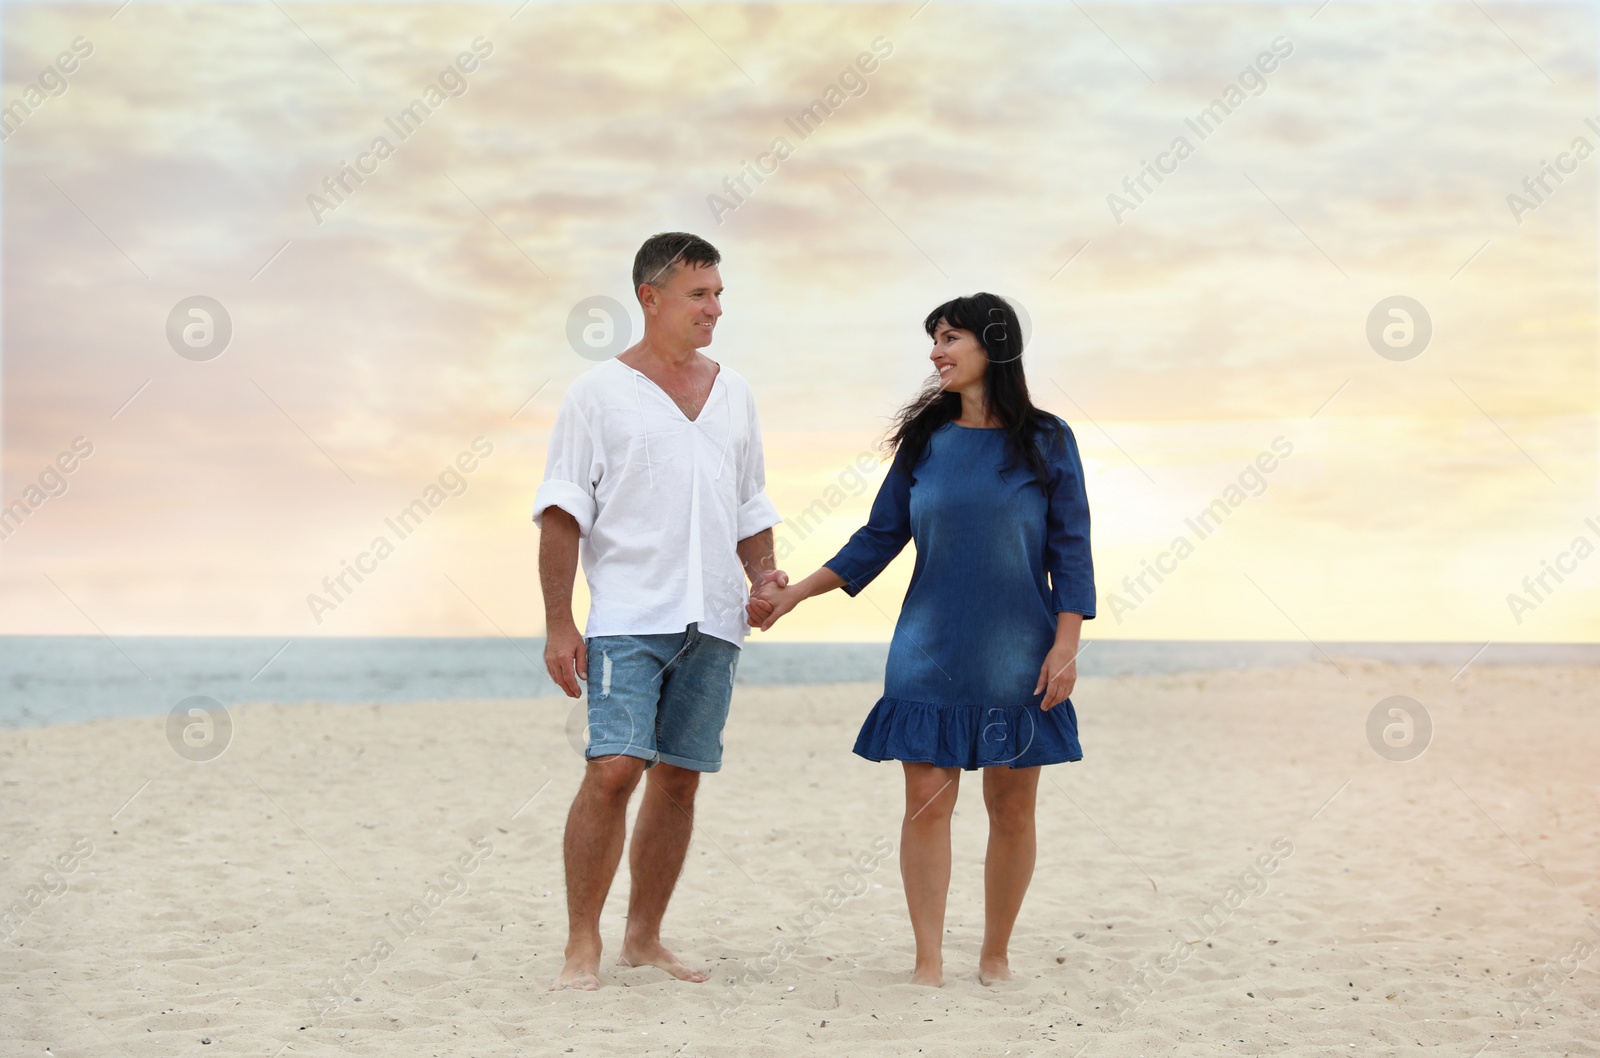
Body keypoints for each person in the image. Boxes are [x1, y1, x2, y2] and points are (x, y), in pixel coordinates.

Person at [747, 292, 1094, 987]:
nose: (936, 351)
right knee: (926, 801)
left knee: (1012, 807)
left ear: (993, 344)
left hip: (1018, 647)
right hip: (928, 646)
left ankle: (994, 955)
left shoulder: (1049, 440)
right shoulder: (924, 442)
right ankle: (928, 961)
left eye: (950, 337)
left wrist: (1066, 643)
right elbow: (878, 538)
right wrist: (791, 596)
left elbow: (1072, 545)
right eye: (933, 339)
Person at [536, 232, 786, 991]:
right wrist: (558, 621)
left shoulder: (735, 392)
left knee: (680, 778)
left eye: (718, 294)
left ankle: (643, 937)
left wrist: (764, 576)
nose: (714, 309)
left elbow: (750, 501)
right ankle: (585, 940)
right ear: (650, 298)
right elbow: (561, 514)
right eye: (698, 294)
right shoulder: (596, 393)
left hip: (714, 618)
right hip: (626, 615)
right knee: (615, 768)